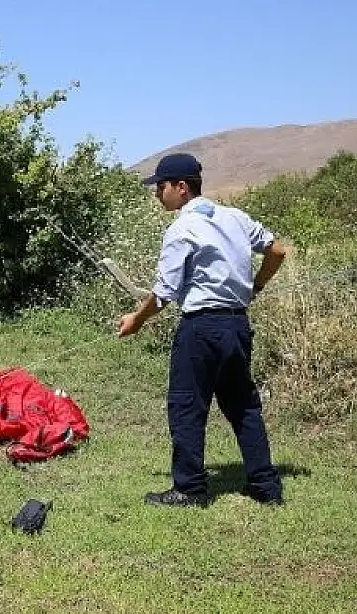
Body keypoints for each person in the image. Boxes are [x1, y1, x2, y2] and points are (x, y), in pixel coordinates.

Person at [118, 153, 287, 507]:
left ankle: (190, 489)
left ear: (181, 187)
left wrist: (136, 319)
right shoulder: (235, 217)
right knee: (244, 407)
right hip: (238, 325)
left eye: (160, 187)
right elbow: (277, 251)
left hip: (201, 330)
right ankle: (266, 487)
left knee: (186, 406)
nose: (157, 194)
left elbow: (164, 293)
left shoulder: (181, 228)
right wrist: (255, 288)